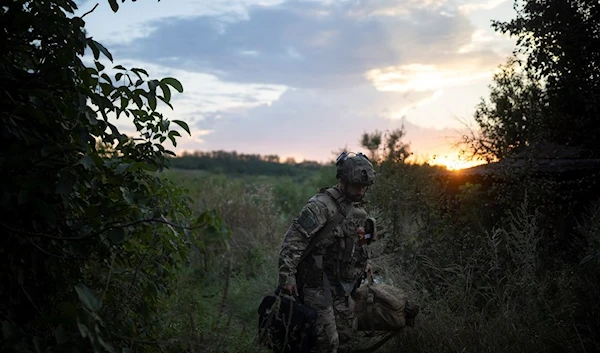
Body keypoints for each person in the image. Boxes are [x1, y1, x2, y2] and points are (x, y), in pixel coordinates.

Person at [278, 151, 376, 353]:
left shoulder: (356, 208)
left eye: (364, 188)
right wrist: (287, 278)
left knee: (345, 335)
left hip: (341, 283)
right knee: (326, 342)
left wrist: (365, 261)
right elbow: (293, 242)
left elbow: (356, 241)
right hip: (316, 282)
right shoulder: (321, 206)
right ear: (343, 180)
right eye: (356, 186)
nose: (360, 192)